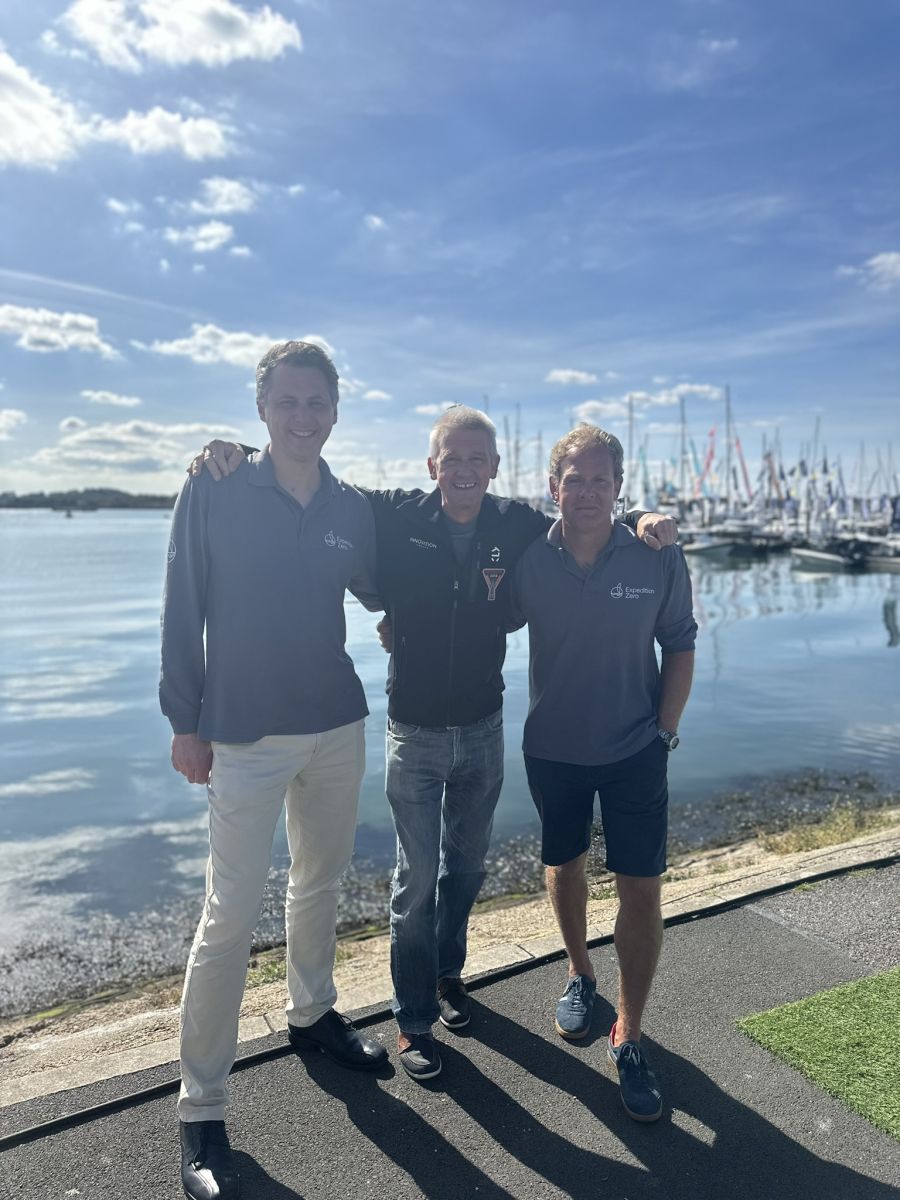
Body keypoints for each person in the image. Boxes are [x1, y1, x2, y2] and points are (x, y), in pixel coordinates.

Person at [197, 408, 677, 1085]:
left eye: (476, 459)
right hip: (414, 730)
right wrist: (246, 454)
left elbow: (582, 520)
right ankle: (413, 1016)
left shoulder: (514, 525)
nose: (462, 469)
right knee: (414, 880)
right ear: (431, 465)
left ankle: (449, 975)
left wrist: (640, 523)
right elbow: (316, 482)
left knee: (466, 869)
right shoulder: (395, 515)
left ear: (495, 469)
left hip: (484, 727)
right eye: (451, 458)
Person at [161, 341, 387, 1200]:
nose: (303, 417)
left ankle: (311, 1013)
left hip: (336, 725)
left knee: (321, 885)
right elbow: (181, 608)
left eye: (316, 403)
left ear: (336, 410)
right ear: (262, 409)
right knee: (228, 916)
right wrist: (184, 720)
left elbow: (380, 585)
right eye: (287, 402)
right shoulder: (214, 486)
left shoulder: (350, 506)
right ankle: (201, 1109)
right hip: (243, 737)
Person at [510, 423, 696, 1123]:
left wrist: (665, 733)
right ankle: (580, 973)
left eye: (600, 480)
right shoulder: (531, 557)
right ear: (553, 486)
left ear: (619, 488)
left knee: (641, 892)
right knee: (565, 864)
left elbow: (679, 643)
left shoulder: (654, 554)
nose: (586, 492)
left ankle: (630, 1032)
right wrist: (401, 627)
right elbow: (472, 610)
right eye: (573, 479)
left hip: (634, 752)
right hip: (551, 747)